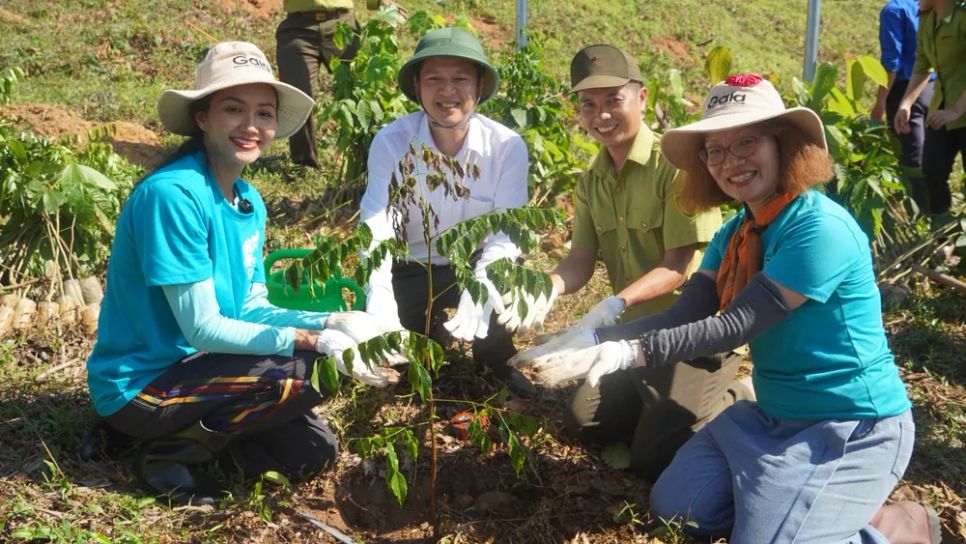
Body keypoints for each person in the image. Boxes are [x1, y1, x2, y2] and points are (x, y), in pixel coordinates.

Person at [512, 74, 939, 543]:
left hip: (847, 424)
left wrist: (625, 354)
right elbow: (686, 314)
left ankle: (891, 526)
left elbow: (735, 326)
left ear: (783, 144)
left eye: (746, 143)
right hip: (770, 417)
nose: (729, 162)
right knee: (680, 508)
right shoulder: (734, 232)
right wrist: (595, 336)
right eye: (714, 150)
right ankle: (799, 506)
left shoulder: (819, 229)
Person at [86, 41, 401, 506]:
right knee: (305, 369)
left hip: (199, 368)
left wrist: (332, 321)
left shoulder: (247, 200)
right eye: (233, 110)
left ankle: (175, 434)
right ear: (202, 118)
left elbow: (249, 306)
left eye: (264, 113)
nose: (251, 126)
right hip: (143, 382)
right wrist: (313, 341)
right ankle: (166, 456)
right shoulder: (174, 196)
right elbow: (203, 327)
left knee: (312, 454)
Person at [499, 44, 749, 481]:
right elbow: (579, 259)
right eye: (588, 105)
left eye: (614, 100)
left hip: (691, 333)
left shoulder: (676, 168)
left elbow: (677, 265)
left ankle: (741, 395)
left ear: (643, 98)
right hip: (631, 334)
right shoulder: (591, 180)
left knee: (654, 459)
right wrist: (549, 285)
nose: (602, 115)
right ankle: (652, 400)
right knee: (587, 423)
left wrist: (614, 304)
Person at [358, 27, 535, 397]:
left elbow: (506, 231)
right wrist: (379, 293)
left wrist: (482, 280)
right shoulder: (392, 142)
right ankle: (429, 336)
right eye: (434, 79)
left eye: (460, 79)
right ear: (418, 87)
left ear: (479, 86)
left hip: (474, 260)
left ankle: (497, 361)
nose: (448, 91)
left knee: (503, 285)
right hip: (413, 265)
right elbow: (375, 223)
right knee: (415, 364)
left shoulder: (506, 146)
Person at [276, 0, 406, 168]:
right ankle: (304, 163)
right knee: (299, 98)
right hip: (297, 29)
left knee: (359, 94)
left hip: (341, 26)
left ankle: (365, 161)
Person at [895, 0, 966, 214]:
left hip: (960, 110)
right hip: (941, 111)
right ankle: (942, 235)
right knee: (932, 171)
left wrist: (956, 110)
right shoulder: (926, 19)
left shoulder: (962, 17)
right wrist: (906, 103)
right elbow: (923, 63)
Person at [872, 0, 935, 175]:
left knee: (912, 161)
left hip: (905, 92)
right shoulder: (929, 6)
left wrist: (880, 104)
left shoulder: (894, 11)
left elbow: (892, 64)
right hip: (933, 88)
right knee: (931, 156)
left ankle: (918, 201)